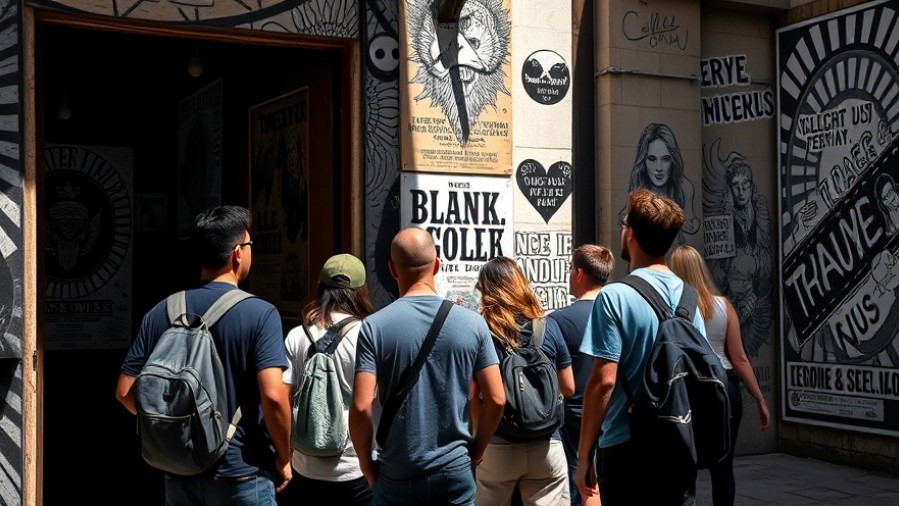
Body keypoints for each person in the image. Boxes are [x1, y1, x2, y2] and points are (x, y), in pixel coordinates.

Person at [115, 205, 292, 505]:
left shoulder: (162, 311)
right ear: (238, 253)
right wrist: (284, 457)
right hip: (241, 472)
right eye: (249, 245)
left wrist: (178, 425)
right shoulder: (260, 314)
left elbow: (124, 392)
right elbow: (274, 396)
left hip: (177, 472)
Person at [349, 227, 505, 505]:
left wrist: (366, 466)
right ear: (436, 265)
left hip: (396, 472)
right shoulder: (473, 323)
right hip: (454, 471)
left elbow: (361, 407)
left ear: (392, 269)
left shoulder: (374, 327)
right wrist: (476, 452)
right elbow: (496, 398)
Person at [576, 189, 705, 505]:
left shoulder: (615, 297)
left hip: (625, 446)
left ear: (630, 234)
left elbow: (603, 381)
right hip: (677, 443)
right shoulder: (690, 299)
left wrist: (583, 456)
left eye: (624, 224)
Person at [667, 245, 770, 506]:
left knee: (682, 464)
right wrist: (759, 399)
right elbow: (740, 358)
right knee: (723, 466)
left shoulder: (670, 308)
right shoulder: (724, 306)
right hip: (723, 387)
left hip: (686, 389)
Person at [473, 256, 575, 506]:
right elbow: (569, 387)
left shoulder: (482, 330)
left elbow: (473, 395)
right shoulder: (547, 327)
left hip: (497, 445)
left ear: (486, 290)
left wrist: (479, 444)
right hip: (547, 444)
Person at [282, 253, 375, 505]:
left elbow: (283, 399)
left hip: (305, 467)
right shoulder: (368, 334)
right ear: (361, 290)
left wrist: (284, 456)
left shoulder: (296, 335)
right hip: (355, 467)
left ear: (321, 288)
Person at [548, 245, 613, 506]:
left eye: (570, 269)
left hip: (575, 417)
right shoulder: (617, 315)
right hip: (613, 411)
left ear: (579, 274)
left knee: (581, 486)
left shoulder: (557, 321)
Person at [626, 123, 699, 236]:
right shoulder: (638, 187)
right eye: (652, 159)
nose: (659, 168)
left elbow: (692, 228)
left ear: (673, 161)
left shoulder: (685, 188)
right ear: (643, 161)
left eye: (666, 159)